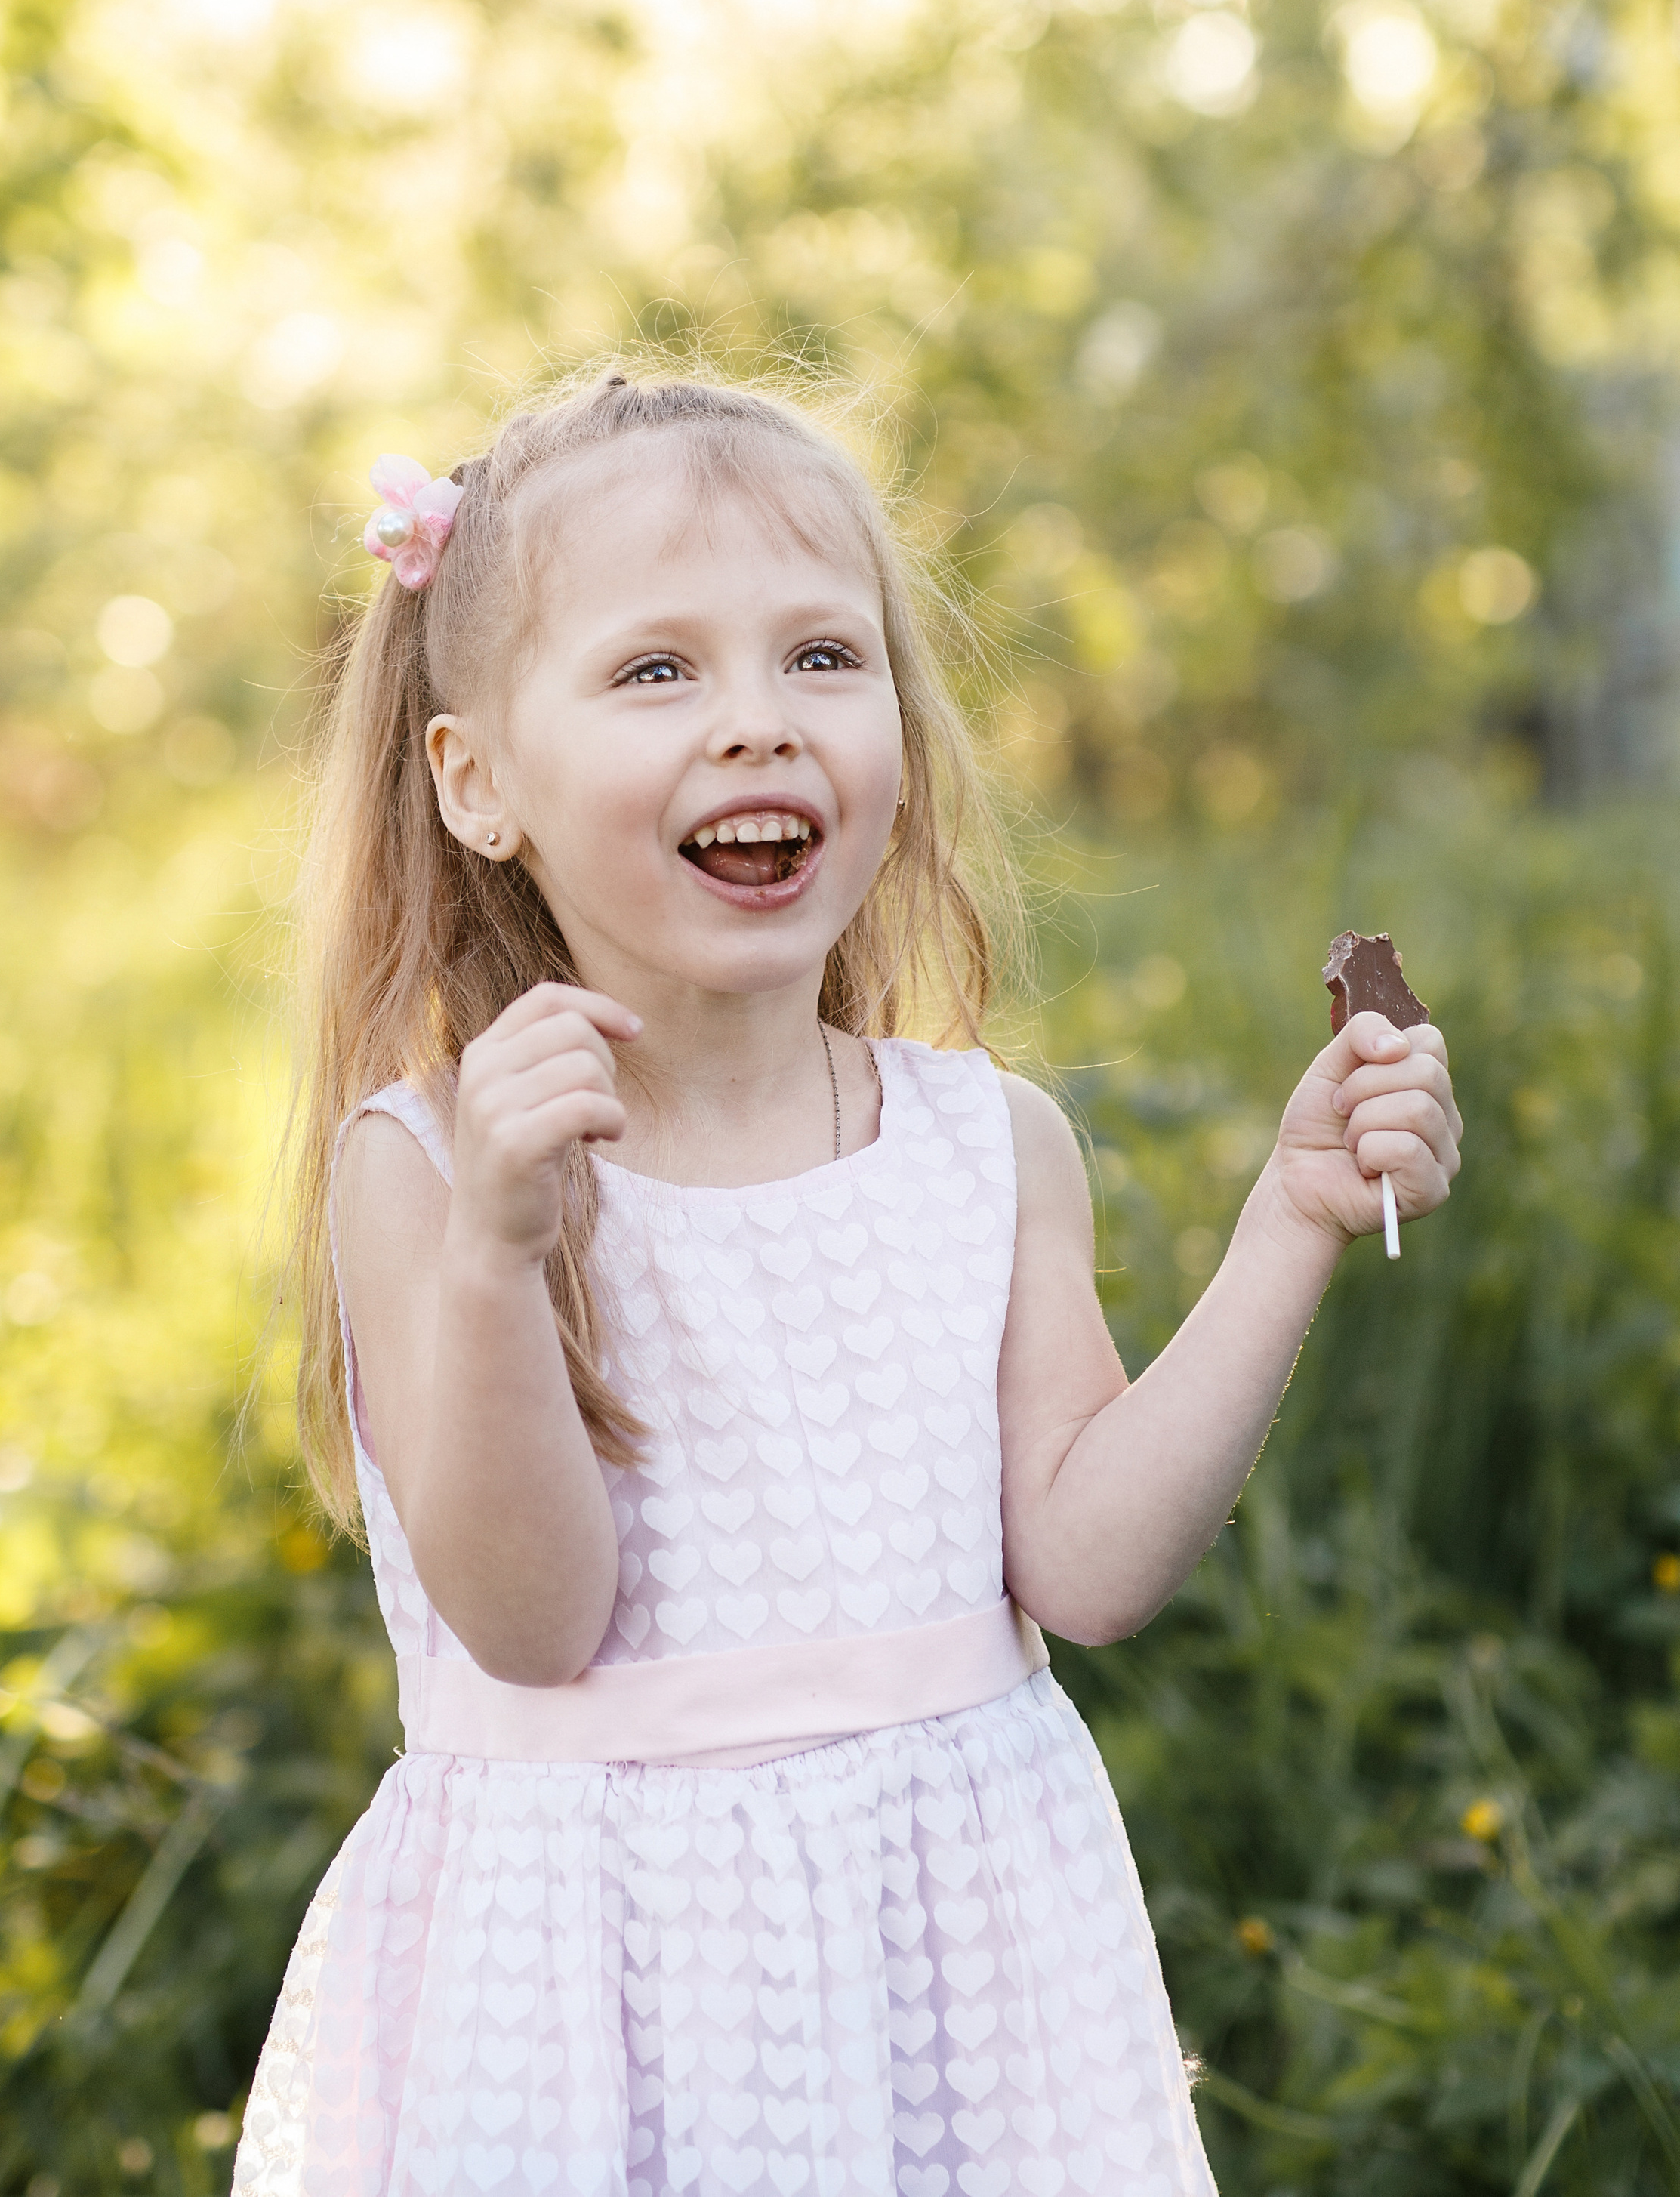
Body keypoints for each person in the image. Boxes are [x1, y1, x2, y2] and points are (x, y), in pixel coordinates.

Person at [233, 369, 1463, 2197]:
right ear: (477, 778)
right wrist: (500, 1254)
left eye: (821, 655)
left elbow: (1089, 1567)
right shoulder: (427, 1169)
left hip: (955, 1969)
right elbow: (529, 1617)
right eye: (658, 671)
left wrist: (1285, 1222)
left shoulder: (983, 1144)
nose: (756, 726)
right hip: (593, 1987)